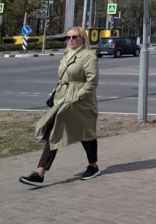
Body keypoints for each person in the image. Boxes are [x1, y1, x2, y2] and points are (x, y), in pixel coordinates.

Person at [19, 26, 100, 187]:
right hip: (63, 99)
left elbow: (92, 81)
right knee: (53, 132)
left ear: (83, 39)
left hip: (81, 101)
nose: (71, 40)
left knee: (86, 134)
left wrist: (77, 96)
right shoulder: (67, 54)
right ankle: (39, 173)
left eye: (75, 37)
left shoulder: (89, 56)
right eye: (68, 37)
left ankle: (93, 166)